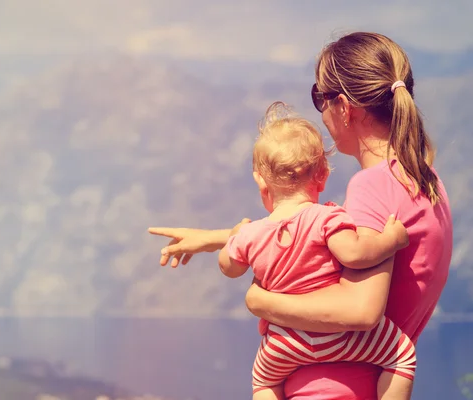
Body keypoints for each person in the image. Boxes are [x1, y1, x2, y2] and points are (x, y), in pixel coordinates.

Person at [148, 31, 453, 399]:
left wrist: (262, 302)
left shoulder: (372, 185)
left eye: (318, 97)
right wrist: (218, 238)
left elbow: (360, 310)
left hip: (333, 389)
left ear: (343, 107)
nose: (320, 113)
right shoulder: (425, 179)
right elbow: (312, 233)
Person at [218, 101, 414, 400]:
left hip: (283, 343)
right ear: (322, 174)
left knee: (263, 382)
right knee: (401, 355)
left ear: (261, 181)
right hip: (338, 336)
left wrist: (233, 237)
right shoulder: (326, 217)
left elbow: (229, 268)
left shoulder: (250, 233)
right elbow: (355, 254)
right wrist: (393, 240)